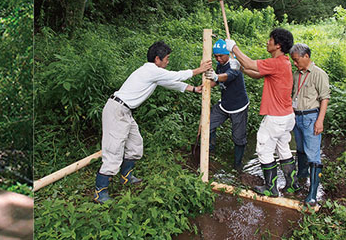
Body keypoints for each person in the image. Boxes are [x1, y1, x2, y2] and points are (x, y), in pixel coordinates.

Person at [94, 41, 212, 203]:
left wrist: (193, 89)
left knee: (135, 146)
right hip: (116, 111)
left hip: (125, 111)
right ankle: (100, 193)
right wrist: (199, 70)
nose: (168, 62)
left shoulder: (153, 73)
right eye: (167, 58)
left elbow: (171, 83)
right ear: (158, 59)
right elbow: (175, 76)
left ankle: (126, 177)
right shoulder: (150, 70)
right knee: (113, 152)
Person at [227, 28, 296, 197]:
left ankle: (270, 188)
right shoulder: (283, 63)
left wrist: (234, 47)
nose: (267, 42)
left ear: (278, 45)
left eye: (270, 40)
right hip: (287, 116)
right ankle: (291, 185)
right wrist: (240, 69)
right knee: (283, 150)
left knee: (264, 150)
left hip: (275, 117)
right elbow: (256, 74)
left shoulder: (277, 62)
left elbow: (251, 63)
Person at [286, 43, 330, 207]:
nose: (295, 64)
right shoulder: (297, 74)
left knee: (313, 155)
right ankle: (302, 177)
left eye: (297, 60)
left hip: (311, 117)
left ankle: (312, 194)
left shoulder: (319, 74)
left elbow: (324, 98)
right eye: (293, 61)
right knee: (300, 149)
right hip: (297, 117)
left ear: (306, 56)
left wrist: (320, 120)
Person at [202, 39, 249, 172]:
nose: (218, 59)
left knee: (238, 138)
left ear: (227, 53)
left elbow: (226, 76)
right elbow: (216, 81)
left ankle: (237, 165)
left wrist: (216, 76)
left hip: (239, 107)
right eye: (216, 56)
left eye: (221, 56)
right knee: (208, 124)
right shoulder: (219, 64)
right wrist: (204, 87)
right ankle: (210, 149)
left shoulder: (235, 65)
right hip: (224, 105)